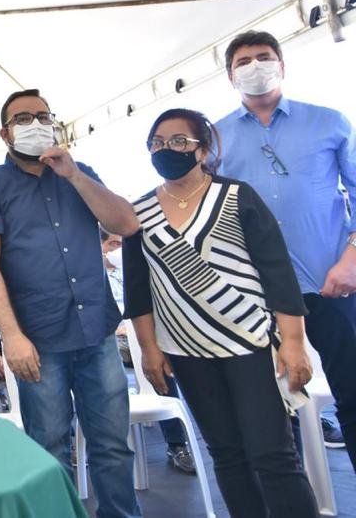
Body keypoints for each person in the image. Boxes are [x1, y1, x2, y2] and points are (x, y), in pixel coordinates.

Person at [124, 107, 318, 517]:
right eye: (157, 143)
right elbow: (138, 292)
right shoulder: (138, 213)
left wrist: (293, 342)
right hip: (185, 348)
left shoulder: (236, 195)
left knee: (273, 454)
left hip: (249, 340)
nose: (166, 149)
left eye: (179, 141)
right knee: (226, 454)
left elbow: (277, 272)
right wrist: (150, 350)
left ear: (203, 149)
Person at [0, 88, 140, 518]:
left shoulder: (81, 174)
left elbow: (125, 223)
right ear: (5, 134)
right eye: (23, 119)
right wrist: (12, 337)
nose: (36, 124)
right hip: (38, 341)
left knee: (113, 446)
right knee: (50, 450)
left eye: (43, 117)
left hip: (96, 332)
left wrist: (75, 175)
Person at [215, 30, 354, 461]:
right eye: (243, 62)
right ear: (230, 76)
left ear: (282, 66)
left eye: (263, 57)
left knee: (353, 391)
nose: (255, 67)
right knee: (274, 407)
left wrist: (352, 258)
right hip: (258, 294)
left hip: (333, 281)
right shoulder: (214, 138)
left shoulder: (329, 122)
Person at [102, 230, 196, 475]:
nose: (118, 250)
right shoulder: (97, 277)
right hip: (114, 340)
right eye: (113, 244)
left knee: (162, 360)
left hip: (143, 335)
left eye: (120, 245)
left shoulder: (129, 270)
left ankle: (177, 443)